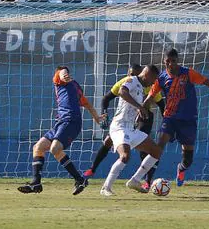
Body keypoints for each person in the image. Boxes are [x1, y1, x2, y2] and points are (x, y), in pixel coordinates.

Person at [125, 48, 209, 191]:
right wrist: (141, 109)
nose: (170, 64)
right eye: (167, 61)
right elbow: (150, 97)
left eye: (173, 61)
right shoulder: (162, 78)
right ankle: (143, 180)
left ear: (178, 61)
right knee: (158, 148)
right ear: (164, 61)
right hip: (170, 118)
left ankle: (181, 169)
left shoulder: (188, 74)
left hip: (188, 120)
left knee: (188, 159)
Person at [17, 66, 102, 195]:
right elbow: (86, 103)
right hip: (60, 122)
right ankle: (36, 182)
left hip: (71, 121)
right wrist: (96, 116)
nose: (62, 76)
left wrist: (97, 117)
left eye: (65, 73)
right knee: (38, 147)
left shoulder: (68, 82)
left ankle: (79, 180)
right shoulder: (70, 86)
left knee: (54, 149)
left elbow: (63, 74)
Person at [83, 65, 164, 180]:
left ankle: (147, 180)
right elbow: (106, 98)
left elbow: (161, 104)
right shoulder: (126, 82)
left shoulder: (150, 86)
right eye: (129, 74)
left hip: (144, 118)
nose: (130, 77)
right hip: (124, 120)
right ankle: (92, 169)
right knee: (108, 141)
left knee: (146, 148)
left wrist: (165, 120)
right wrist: (105, 114)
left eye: (134, 75)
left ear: (142, 75)